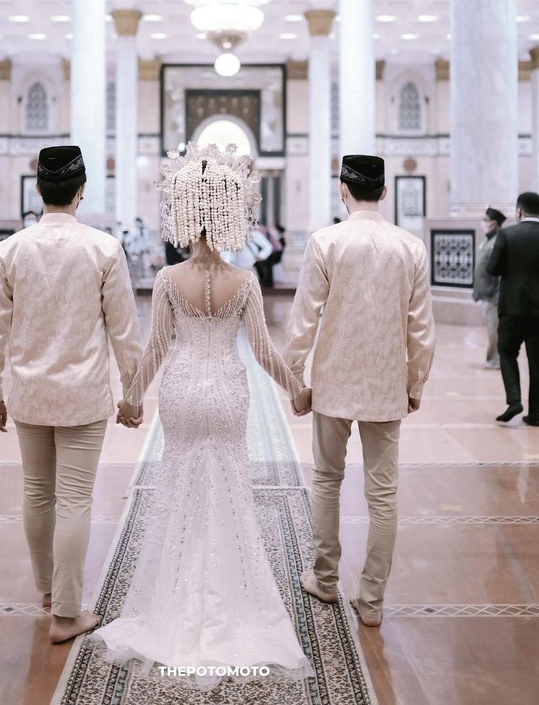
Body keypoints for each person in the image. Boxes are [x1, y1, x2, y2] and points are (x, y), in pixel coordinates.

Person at [91, 142, 313, 689]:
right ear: (231, 212)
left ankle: (177, 595)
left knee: (180, 484)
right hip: (228, 394)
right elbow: (263, 352)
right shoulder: (245, 281)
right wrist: (296, 389)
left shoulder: (169, 281)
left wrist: (132, 399)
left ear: (185, 212)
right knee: (229, 487)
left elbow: (157, 348)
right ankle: (230, 596)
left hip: (185, 390)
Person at [0, 145, 144, 643]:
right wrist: (132, 393)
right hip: (83, 396)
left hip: (29, 394)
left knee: (36, 493)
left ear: (38, 190)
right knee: (73, 499)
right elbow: (124, 332)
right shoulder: (103, 249)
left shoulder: (11, 250)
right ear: (82, 189)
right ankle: (66, 614)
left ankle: (48, 592)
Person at [283, 154, 435, 628]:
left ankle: (324, 580)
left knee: (327, 480)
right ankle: (371, 601)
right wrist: (415, 383)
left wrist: (296, 379)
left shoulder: (326, 242)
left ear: (342, 190)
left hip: (333, 382)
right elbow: (421, 329)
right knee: (383, 493)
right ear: (385, 193)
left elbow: (304, 320)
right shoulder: (410, 247)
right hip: (386, 384)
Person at [486, 191, 539, 426]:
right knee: (537, 360)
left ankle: (514, 401)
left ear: (519, 211)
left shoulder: (507, 234)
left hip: (512, 308)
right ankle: (536, 414)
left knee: (507, 352)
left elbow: (492, 269)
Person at [473, 207, 506, 370]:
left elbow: (499, 272)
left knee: (494, 330)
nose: (483, 223)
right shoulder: (487, 241)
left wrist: (496, 295)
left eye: (485, 220)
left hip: (494, 296)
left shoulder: (497, 242)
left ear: (493, 223)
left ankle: (496, 360)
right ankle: (493, 358)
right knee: (491, 329)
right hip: (485, 294)